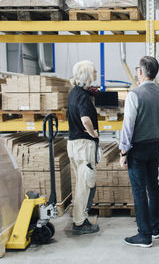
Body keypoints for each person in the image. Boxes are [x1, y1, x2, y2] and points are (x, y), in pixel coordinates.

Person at [119, 56, 159, 248]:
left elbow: (128, 126)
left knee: (139, 191)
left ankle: (144, 234)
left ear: (140, 71)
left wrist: (123, 152)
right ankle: (154, 228)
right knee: (153, 186)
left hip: (137, 149)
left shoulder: (135, 94)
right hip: (154, 145)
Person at [67, 60, 100, 235]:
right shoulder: (83, 97)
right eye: (94, 71)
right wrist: (93, 134)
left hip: (73, 144)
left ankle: (80, 216)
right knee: (84, 184)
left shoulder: (74, 92)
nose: (96, 74)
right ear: (88, 75)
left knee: (80, 182)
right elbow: (85, 119)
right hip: (84, 145)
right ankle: (80, 222)